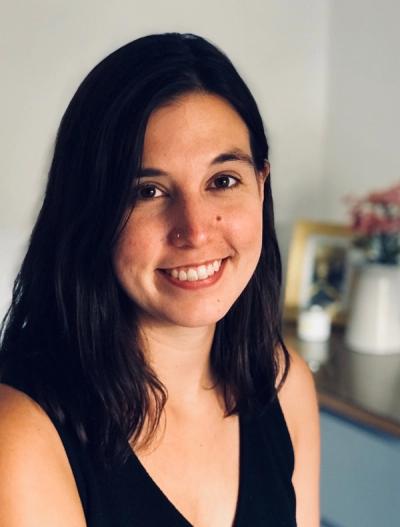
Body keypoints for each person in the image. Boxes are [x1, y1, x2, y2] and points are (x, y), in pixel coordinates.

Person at [0, 33, 320, 526]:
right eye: (148, 191)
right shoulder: (20, 433)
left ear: (261, 185)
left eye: (222, 181)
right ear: (90, 212)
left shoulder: (284, 382)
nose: (195, 230)